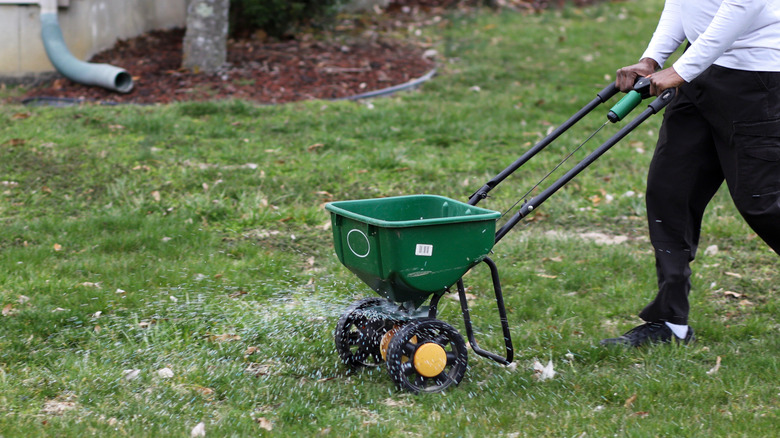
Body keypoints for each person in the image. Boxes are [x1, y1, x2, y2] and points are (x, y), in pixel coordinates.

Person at [600, 0, 780, 347]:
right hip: (698, 72)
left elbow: (744, 4)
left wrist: (683, 68)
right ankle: (670, 323)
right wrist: (653, 58)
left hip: (757, 77)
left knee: (764, 203)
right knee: (670, 192)